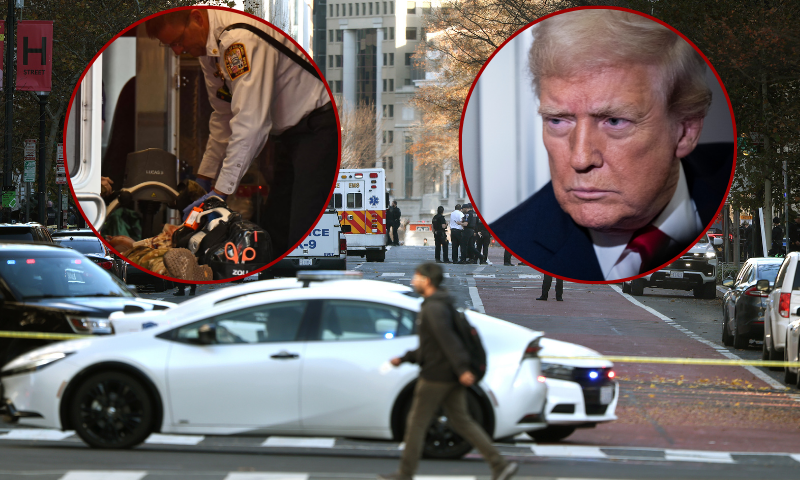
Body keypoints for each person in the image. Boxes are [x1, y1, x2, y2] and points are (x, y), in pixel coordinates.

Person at [490, 10, 733, 281]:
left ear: (686, 131)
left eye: (615, 121)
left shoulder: (725, 176)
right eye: (558, 121)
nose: (580, 159)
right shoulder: (516, 239)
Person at [145, 8, 336, 255]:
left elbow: (251, 121)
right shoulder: (209, 50)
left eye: (178, 41)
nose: (177, 51)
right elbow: (224, 115)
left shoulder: (239, 41)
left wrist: (221, 192)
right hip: (290, 135)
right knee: (277, 223)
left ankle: (295, 287)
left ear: (196, 18)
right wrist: (205, 177)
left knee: (299, 223)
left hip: (317, 128)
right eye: (169, 45)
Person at [380, 263, 518, 480]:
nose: (412, 281)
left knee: (416, 424)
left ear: (427, 280)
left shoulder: (433, 308)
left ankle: (405, 473)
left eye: (416, 277)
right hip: (448, 374)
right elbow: (432, 345)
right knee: (462, 421)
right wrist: (405, 358)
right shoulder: (441, 304)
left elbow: (448, 341)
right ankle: (499, 465)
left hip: (436, 376)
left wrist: (462, 368)